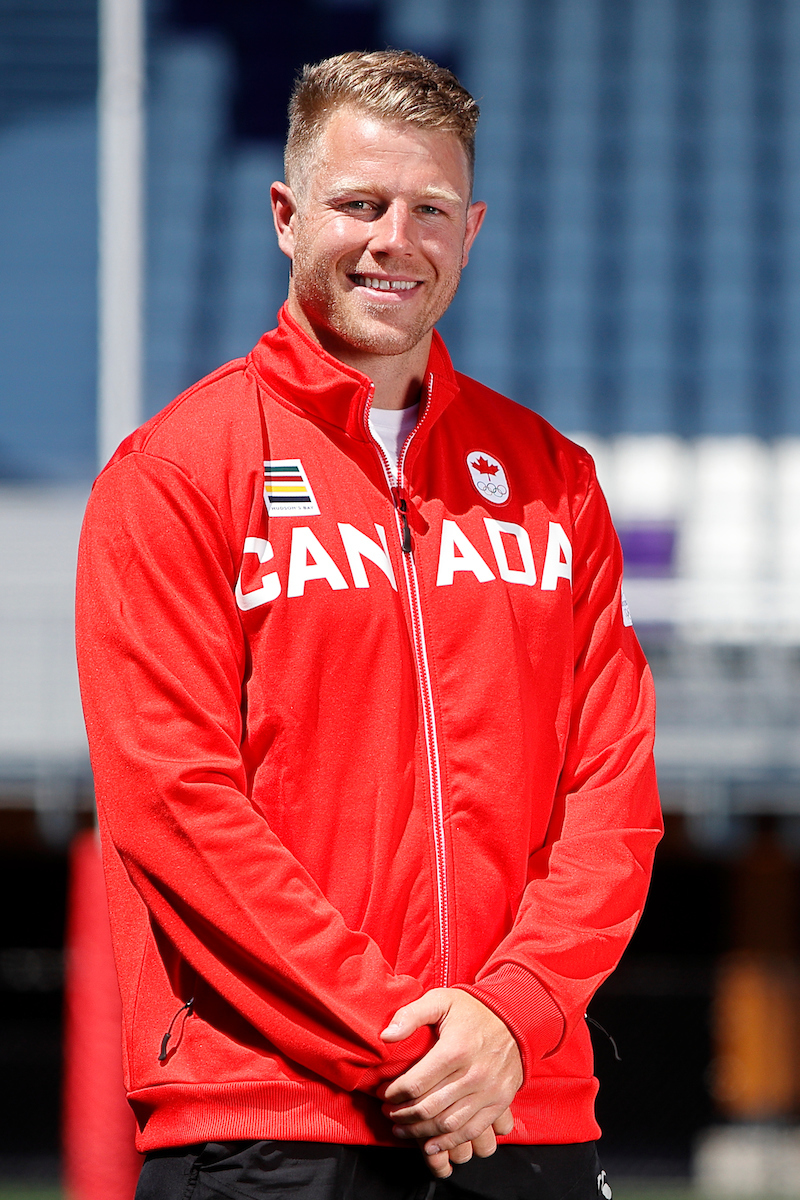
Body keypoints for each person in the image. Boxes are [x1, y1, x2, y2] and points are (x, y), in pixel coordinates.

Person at [76, 49, 662, 1200]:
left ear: (472, 227)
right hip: (267, 1118)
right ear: (287, 216)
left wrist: (508, 1018)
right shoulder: (176, 474)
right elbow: (178, 812)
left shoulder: (553, 480)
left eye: (428, 208)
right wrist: (411, 1042)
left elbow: (612, 804)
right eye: (359, 204)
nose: (395, 239)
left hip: (520, 1111)